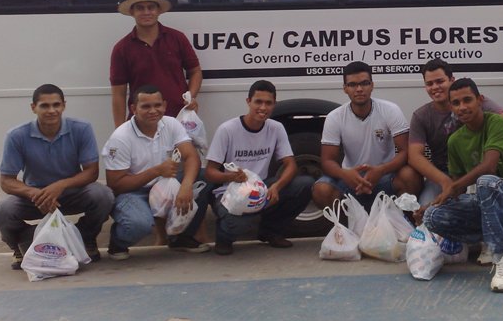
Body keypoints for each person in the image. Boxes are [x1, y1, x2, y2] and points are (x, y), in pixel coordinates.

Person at [421, 78, 503, 293]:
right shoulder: (455, 140)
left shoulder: (496, 123)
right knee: (432, 217)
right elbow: (459, 189)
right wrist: (432, 205)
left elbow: (489, 166)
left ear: (480, 100)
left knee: (487, 182)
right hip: (487, 206)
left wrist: (453, 188)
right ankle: (490, 240)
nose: (462, 107)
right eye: (456, 103)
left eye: (467, 100)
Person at [0, 84, 114, 269]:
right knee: (1, 212)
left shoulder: (81, 129)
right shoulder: (17, 135)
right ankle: (23, 243)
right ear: (33, 107)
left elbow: (91, 172)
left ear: (64, 105)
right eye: (44, 106)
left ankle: (84, 239)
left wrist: (61, 186)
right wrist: (33, 193)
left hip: (72, 193)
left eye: (56, 105)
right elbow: (6, 181)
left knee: (104, 196)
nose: (51, 110)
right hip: (35, 198)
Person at [204, 80, 315, 255]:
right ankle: (224, 238)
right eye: (258, 102)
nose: (263, 108)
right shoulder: (227, 130)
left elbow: (291, 165)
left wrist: (276, 187)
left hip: (260, 187)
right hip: (230, 191)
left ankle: (270, 231)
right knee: (238, 222)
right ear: (248, 101)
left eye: (268, 103)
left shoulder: (276, 128)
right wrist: (231, 177)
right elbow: (209, 173)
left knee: (305, 184)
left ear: (274, 105)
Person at [103, 85, 210, 259]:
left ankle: (180, 238)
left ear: (165, 105)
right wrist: (156, 171)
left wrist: (187, 186)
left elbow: (191, 157)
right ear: (133, 108)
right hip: (134, 193)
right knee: (139, 224)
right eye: (145, 106)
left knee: (204, 178)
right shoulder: (120, 137)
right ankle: (118, 243)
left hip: (165, 185)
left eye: (157, 105)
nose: (153, 111)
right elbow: (116, 185)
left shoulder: (171, 123)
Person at [312, 61, 422, 211]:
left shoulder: (390, 110)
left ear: (372, 85)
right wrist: (345, 174)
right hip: (350, 179)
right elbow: (327, 160)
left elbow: (405, 151)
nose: (359, 89)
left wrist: (381, 170)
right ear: (345, 89)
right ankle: (348, 230)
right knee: (321, 189)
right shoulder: (335, 117)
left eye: (364, 83)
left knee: (410, 175)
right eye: (352, 85)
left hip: (384, 177)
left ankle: (399, 223)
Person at [408, 58, 503, 207]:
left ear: (452, 80)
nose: (435, 87)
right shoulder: (421, 116)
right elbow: (414, 156)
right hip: (444, 174)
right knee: (428, 209)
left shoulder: (478, 103)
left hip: (483, 172)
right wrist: (445, 181)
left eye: (440, 81)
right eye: (429, 84)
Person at [110, 0, 202, 128]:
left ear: (158, 11)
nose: (146, 12)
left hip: (180, 118)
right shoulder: (121, 48)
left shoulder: (177, 38)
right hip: (142, 123)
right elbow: (118, 94)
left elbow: (195, 71)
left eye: (151, 7)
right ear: (132, 12)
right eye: (140, 8)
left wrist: (191, 96)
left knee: (186, 151)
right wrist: (119, 131)